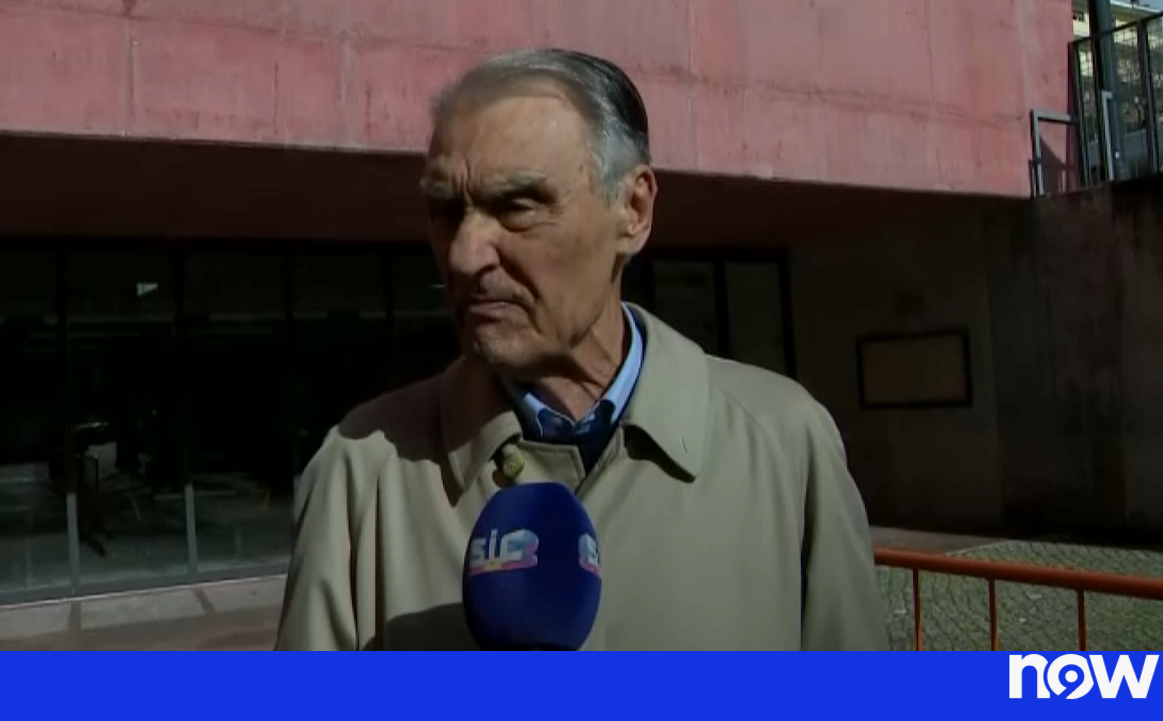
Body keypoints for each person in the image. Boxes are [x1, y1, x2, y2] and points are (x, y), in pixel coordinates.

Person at [276, 48, 888, 651]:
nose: (463, 256)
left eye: (517, 207)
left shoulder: (786, 442)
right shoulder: (360, 473)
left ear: (633, 209)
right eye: (445, 211)